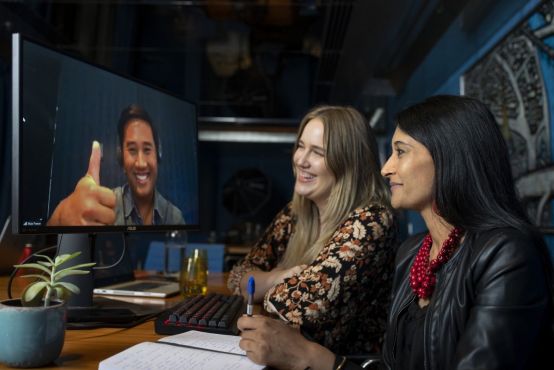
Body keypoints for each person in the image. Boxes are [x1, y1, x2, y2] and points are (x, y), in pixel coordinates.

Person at [237, 95, 554, 370]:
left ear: (449, 159)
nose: (386, 167)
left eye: (401, 152)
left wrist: (310, 356)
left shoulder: (508, 255)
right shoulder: (414, 253)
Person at [228, 105, 398, 356]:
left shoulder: (371, 221)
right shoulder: (295, 214)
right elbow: (238, 276)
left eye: (317, 152)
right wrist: (279, 276)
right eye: (300, 146)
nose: (301, 160)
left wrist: (261, 285)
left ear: (347, 164)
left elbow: (291, 305)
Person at [47, 104, 184, 226]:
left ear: (158, 154)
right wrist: (60, 218)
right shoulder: (102, 206)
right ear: (121, 159)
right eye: (132, 150)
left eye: (147, 149)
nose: (141, 163)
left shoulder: (175, 217)